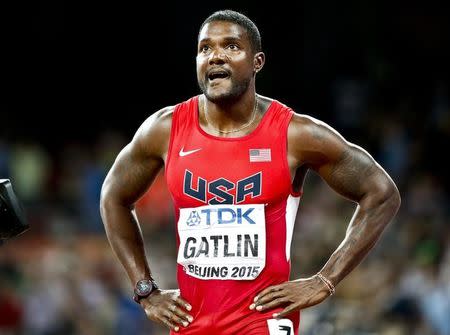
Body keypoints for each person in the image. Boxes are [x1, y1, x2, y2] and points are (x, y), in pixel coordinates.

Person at [100, 9, 401, 335]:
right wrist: (145, 290)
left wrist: (324, 281)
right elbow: (113, 197)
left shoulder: (295, 135)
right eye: (205, 48)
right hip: (190, 323)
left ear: (257, 62)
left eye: (231, 46)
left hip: (264, 321)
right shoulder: (165, 130)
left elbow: (381, 194)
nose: (215, 56)